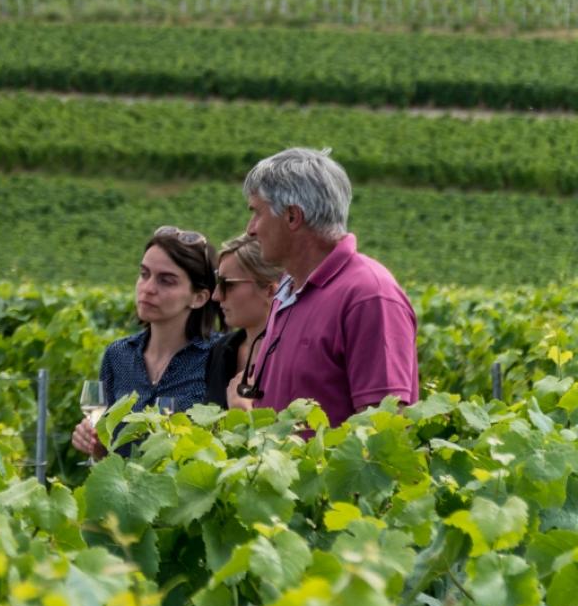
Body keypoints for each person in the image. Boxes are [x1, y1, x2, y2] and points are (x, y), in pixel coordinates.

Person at [240, 147, 418, 423]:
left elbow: (385, 430)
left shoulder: (370, 295)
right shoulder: (288, 289)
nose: (250, 229)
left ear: (292, 217)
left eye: (257, 213)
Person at [72, 226, 218, 459]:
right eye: (144, 274)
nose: (148, 288)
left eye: (166, 281)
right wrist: (95, 447)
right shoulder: (117, 355)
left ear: (199, 297)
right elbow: (107, 455)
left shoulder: (218, 357)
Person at [207, 233, 283, 409]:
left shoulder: (297, 357)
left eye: (229, 285)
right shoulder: (221, 351)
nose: (216, 296)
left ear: (270, 290)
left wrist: (244, 414)